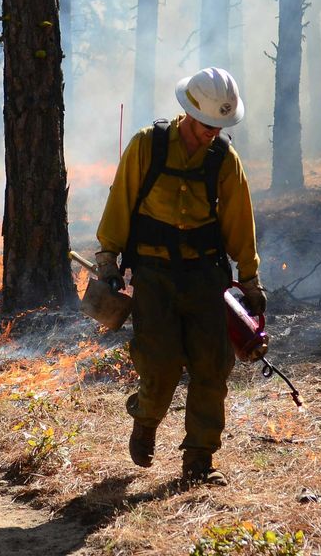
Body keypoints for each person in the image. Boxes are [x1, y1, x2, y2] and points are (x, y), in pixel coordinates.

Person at [94, 67, 265, 486]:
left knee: (212, 366)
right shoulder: (146, 146)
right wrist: (107, 258)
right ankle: (146, 417)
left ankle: (199, 460)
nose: (213, 132)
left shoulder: (225, 160)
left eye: (220, 125)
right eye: (208, 124)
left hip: (207, 277)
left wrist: (250, 279)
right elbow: (120, 202)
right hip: (154, 276)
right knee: (162, 363)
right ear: (189, 112)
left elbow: (240, 223)